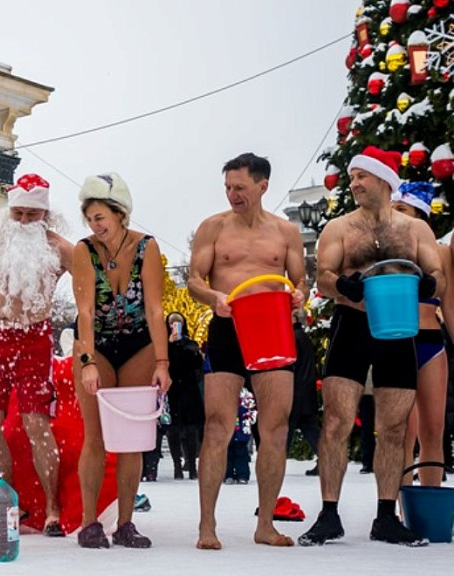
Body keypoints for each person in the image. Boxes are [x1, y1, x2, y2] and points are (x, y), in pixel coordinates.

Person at [299, 146, 443, 547]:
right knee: (336, 422)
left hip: (399, 328)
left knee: (394, 427)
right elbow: (323, 275)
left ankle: (385, 516)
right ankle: (329, 514)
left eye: (361, 176)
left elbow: (437, 275)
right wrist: (340, 285)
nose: (354, 183)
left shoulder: (415, 230)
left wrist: (430, 285)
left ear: (383, 179)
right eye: (352, 177)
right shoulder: (340, 228)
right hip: (351, 323)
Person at [188, 152, 307, 550]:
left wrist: (299, 298)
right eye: (227, 187)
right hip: (228, 326)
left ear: (262, 186)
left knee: (275, 429)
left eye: (240, 187)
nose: (232, 195)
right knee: (218, 427)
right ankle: (207, 526)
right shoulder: (213, 228)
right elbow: (193, 281)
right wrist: (213, 296)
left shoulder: (286, 232)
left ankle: (266, 525)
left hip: (273, 328)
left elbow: (299, 284)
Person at [0, 172, 73, 538]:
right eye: (19, 214)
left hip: (33, 338)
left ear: (45, 214)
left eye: (33, 215)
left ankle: (52, 508)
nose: (25, 222)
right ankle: (9, 499)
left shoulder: (60, 247)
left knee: (36, 424)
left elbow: (92, 286)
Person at [72, 172, 171, 549]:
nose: (95, 225)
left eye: (101, 217)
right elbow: (84, 311)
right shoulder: (85, 250)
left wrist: (162, 362)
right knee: (95, 436)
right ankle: (89, 522)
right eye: (90, 219)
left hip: (138, 344)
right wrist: (87, 361)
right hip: (95, 341)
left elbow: (155, 309)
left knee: (132, 439)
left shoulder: (147, 247)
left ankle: (126, 523)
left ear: (120, 214)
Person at [392, 182, 449, 488]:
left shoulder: (440, 253)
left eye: (401, 209)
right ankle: (402, 507)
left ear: (420, 214)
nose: (394, 215)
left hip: (431, 344)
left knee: (433, 430)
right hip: (397, 343)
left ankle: (430, 501)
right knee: (401, 430)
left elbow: (449, 306)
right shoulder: (385, 253)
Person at [166, 312, 205, 480]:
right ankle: (177, 465)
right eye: (172, 323)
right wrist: (170, 345)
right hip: (172, 390)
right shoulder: (164, 346)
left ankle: (192, 464)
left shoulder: (191, 344)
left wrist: (189, 349)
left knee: (191, 429)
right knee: (172, 429)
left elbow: (197, 366)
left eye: (178, 323)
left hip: (189, 390)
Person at [288, 311, 321, 475]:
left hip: (295, 389)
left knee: (286, 427)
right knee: (310, 427)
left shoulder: (293, 337)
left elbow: (291, 363)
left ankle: (275, 461)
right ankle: (325, 458)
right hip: (306, 388)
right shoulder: (302, 336)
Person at [225, 387, 256, 484]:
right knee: (227, 456)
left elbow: (252, 412)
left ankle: (242, 475)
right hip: (228, 432)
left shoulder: (247, 395)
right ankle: (228, 475)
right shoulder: (224, 392)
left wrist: (248, 418)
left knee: (242, 455)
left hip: (242, 432)